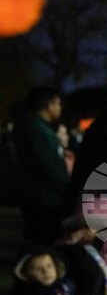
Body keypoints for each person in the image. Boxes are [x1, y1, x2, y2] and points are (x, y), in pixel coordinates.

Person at [12, 87, 73, 244]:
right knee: (46, 241)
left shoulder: (30, 125)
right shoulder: (39, 130)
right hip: (46, 200)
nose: (60, 108)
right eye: (58, 104)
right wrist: (67, 190)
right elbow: (50, 166)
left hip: (37, 196)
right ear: (48, 105)